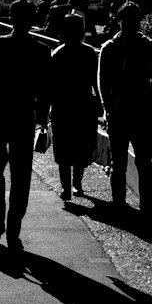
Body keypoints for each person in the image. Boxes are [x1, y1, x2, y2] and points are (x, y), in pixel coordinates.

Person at [0, 0, 51, 254]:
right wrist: (42, 119)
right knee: (21, 176)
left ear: (10, 17)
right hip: (23, 118)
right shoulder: (40, 50)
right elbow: (45, 90)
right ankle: (13, 226)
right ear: (31, 20)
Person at [98, 2, 152, 216]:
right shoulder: (147, 46)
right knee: (143, 162)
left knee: (121, 161)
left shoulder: (110, 47)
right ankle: (147, 205)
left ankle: (120, 204)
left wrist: (108, 107)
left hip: (121, 111)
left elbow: (103, 82)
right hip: (139, 110)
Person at [49, 12, 100, 202]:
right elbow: (96, 81)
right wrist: (100, 104)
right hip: (83, 104)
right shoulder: (89, 53)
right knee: (81, 146)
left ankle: (66, 187)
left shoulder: (57, 53)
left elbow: (50, 84)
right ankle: (77, 183)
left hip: (62, 105)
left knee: (63, 148)